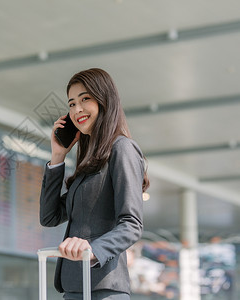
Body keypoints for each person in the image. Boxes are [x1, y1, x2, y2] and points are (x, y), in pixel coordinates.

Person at [40, 68, 149, 300]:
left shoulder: (122, 149)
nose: (77, 109)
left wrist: (92, 250)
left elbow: (132, 224)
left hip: (104, 289)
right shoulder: (88, 164)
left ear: (104, 100)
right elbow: (49, 217)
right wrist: (57, 156)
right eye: (71, 104)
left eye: (85, 99)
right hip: (73, 288)